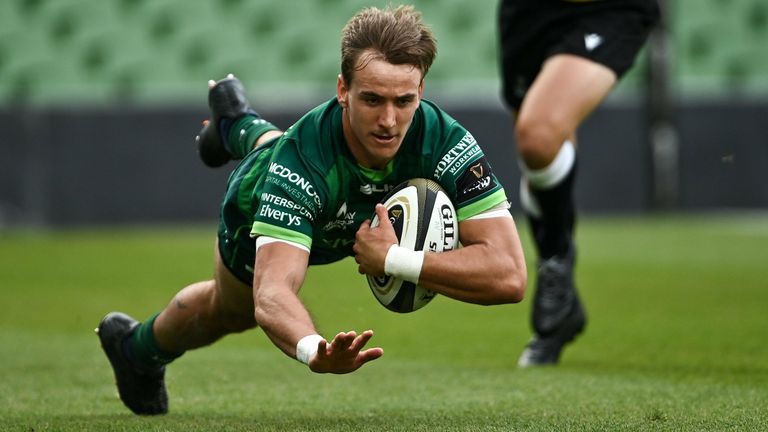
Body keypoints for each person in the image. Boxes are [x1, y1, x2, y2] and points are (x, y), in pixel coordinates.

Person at [97, 4, 528, 415]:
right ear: (343, 90)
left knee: (320, 157)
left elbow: (509, 276)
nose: (389, 121)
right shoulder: (299, 163)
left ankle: (236, 125)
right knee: (233, 311)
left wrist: (395, 259)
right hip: (265, 201)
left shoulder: (445, 139)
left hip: (352, 212)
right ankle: (135, 350)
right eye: (372, 99)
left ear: (421, 92)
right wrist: (311, 349)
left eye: (404, 101)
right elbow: (272, 293)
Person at [497, 0, 660, 367]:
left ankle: (555, 262)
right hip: (528, 14)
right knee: (544, 150)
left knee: (537, 135)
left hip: (608, 9)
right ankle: (559, 302)